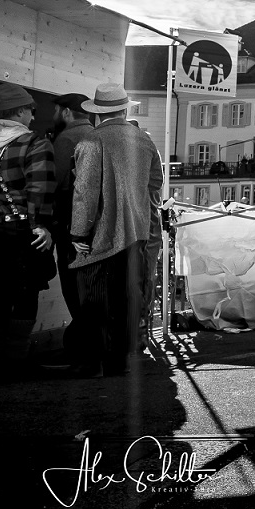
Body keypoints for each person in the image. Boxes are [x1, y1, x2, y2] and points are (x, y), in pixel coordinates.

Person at [68, 83, 162, 378]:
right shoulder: (144, 140)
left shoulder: (90, 141)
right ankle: (119, 362)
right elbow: (155, 185)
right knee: (125, 300)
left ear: (98, 113)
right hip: (137, 233)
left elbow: (84, 192)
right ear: (124, 109)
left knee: (94, 301)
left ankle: (91, 363)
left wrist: (78, 234)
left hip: (101, 236)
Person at [0, 83, 56, 379]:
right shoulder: (33, 143)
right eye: (30, 109)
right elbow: (40, 189)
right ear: (18, 111)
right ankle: (14, 363)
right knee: (23, 295)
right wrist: (40, 225)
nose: (33, 115)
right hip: (22, 234)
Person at [48, 92, 94, 362]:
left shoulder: (66, 139)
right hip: (97, 224)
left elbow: (53, 181)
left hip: (71, 221)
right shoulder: (98, 135)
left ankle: (81, 349)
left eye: (55, 110)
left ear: (65, 112)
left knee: (73, 283)